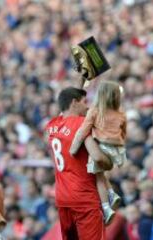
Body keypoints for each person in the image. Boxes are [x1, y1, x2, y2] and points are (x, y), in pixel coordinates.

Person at [45, 78, 113, 239]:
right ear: (75, 102)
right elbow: (97, 157)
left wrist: (82, 77)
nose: (87, 105)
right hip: (84, 197)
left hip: (63, 197)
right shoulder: (81, 123)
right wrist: (109, 162)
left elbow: (67, 101)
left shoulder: (52, 125)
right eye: (85, 102)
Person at [70, 80, 127, 223]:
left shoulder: (94, 111)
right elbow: (124, 133)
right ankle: (112, 193)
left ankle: (106, 207)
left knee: (98, 178)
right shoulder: (121, 114)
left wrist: (74, 148)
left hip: (102, 147)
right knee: (101, 173)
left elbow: (83, 131)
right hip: (117, 150)